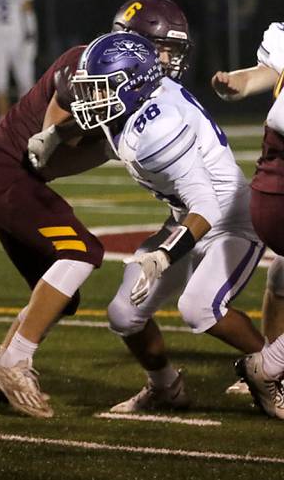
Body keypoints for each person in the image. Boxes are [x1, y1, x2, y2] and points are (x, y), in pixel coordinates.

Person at [0, 0, 195, 417]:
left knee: (57, 295)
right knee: (82, 251)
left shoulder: (137, 81)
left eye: (172, 50)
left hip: (10, 175)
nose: (166, 58)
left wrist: (114, 146)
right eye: (160, 47)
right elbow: (46, 151)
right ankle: (16, 362)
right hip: (5, 170)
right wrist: (105, 138)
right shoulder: (88, 64)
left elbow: (89, 151)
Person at [67, 32, 265, 413]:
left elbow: (205, 207)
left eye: (102, 88)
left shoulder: (159, 124)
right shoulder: (135, 105)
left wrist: (162, 256)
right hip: (186, 220)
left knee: (199, 308)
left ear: (132, 85)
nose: (92, 98)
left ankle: (275, 370)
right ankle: (166, 388)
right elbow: (103, 147)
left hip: (230, 220)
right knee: (124, 314)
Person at [214, 22, 284, 415]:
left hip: (271, 187)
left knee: (281, 275)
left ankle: (274, 364)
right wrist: (237, 82)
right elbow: (266, 75)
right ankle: (269, 366)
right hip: (279, 184)